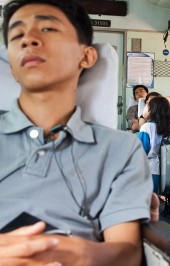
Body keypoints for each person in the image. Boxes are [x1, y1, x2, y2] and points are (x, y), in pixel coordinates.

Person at [0, 0, 154, 265]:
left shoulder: (121, 149)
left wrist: (61, 252)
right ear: (12, 68)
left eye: (47, 29)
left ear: (86, 56)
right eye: (17, 35)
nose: (29, 40)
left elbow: (126, 253)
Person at [138, 96, 170, 193]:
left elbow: (140, 152)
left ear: (150, 110)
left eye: (146, 105)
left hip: (148, 170)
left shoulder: (146, 127)